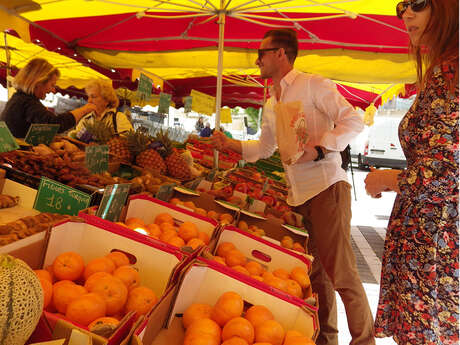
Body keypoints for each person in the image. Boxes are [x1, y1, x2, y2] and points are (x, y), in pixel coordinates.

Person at [211, 28, 373, 345]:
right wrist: (227, 143)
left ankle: (364, 340)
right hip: (302, 195)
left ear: (281, 54)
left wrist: (322, 147)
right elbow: (264, 149)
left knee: (340, 271)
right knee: (320, 275)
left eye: (262, 53)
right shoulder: (271, 102)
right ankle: (327, 338)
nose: (257, 59)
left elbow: (353, 121)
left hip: (327, 186)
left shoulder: (313, 85)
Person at [364, 1, 458, 343]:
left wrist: (385, 179)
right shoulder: (444, 69)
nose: (405, 14)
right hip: (429, 236)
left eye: (417, 4)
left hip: (433, 241)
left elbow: (446, 172)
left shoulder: (451, 73)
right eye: (401, 6)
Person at [0, 58, 96, 138]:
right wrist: (84, 109)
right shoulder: (27, 102)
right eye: (52, 85)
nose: (53, 91)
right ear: (38, 82)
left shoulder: (19, 99)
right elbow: (54, 124)